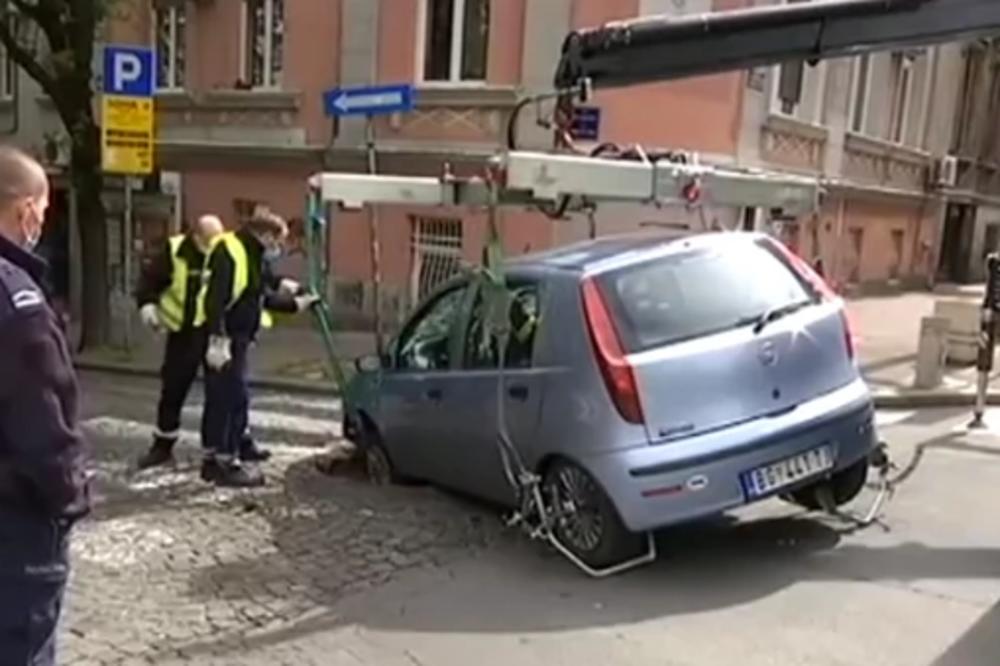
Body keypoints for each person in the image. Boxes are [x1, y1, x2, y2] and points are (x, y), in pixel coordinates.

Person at [0, 146, 89, 665]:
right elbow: (44, 427)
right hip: (15, 535)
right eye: (44, 210)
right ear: (26, 211)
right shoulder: (18, 304)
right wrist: (69, 497)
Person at [201, 208, 318, 487]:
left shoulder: (249, 252)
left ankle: (218, 457)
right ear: (265, 235)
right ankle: (225, 463)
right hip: (225, 336)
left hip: (237, 335)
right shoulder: (231, 252)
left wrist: (290, 296)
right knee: (232, 397)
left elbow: (259, 291)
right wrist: (217, 340)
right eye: (278, 241)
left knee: (224, 397)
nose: (278, 248)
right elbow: (215, 300)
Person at [134, 215, 225, 470]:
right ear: (195, 236)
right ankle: (163, 446)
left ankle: (216, 451)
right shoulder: (174, 251)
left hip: (213, 331)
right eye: (207, 241)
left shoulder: (222, 251)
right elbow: (150, 281)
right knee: (173, 389)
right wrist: (148, 306)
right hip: (183, 333)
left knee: (220, 393)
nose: (212, 247)